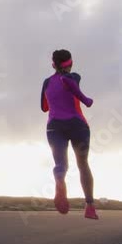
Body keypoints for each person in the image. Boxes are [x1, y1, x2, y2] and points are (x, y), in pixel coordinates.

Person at [40, 49, 98, 220]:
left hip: (54, 127)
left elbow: (44, 107)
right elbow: (73, 85)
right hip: (77, 125)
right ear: (71, 64)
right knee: (83, 164)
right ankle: (90, 206)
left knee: (60, 164)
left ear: (53, 65)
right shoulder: (75, 77)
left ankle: (59, 180)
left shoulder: (46, 82)